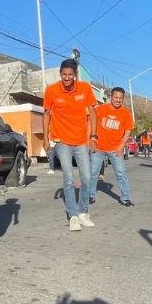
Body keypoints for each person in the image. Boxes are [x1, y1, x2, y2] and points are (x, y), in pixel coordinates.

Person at [43, 58, 97, 232]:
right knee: (68, 177)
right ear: (60, 74)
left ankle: (83, 212)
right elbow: (46, 115)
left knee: (87, 178)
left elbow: (93, 113)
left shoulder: (85, 88)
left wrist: (94, 136)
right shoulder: (51, 90)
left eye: (70, 75)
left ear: (75, 75)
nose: (67, 78)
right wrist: (45, 139)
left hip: (81, 141)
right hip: (62, 141)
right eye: (64, 74)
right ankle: (73, 215)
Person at [89, 87, 134, 207]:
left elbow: (127, 131)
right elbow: (91, 122)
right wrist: (91, 140)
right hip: (98, 148)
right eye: (116, 97)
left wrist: (121, 147)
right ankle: (90, 195)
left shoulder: (126, 113)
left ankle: (125, 197)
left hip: (115, 149)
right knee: (93, 173)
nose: (118, 100)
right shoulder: (100, 109)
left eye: (120, 98)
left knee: (121, 173)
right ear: (110, 97)